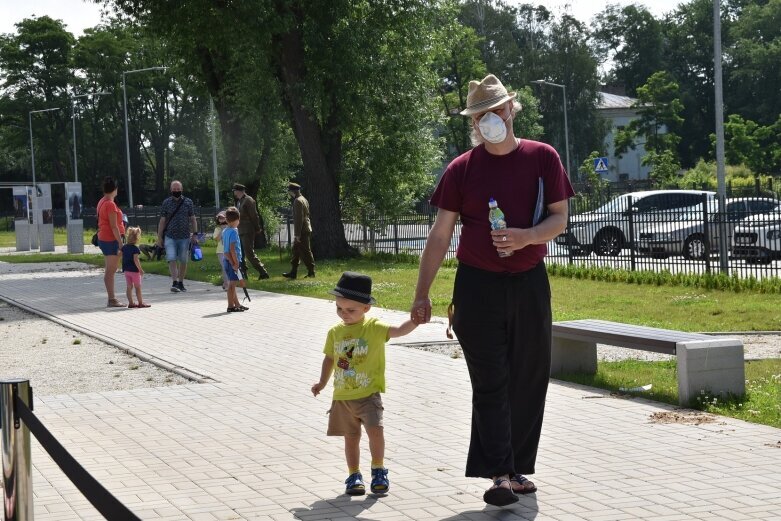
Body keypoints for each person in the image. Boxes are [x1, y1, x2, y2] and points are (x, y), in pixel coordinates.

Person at [409, 74, 575, 507]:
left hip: (529, 284)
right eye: (480, 115)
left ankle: (516, 468)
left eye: (496, 111)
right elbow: (441, 234)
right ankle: (499, 474)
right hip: (477, 287)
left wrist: (526, 237)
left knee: (528, 377)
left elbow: (560, 219)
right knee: (490, 381)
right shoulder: (462, 168)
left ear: (512, 109)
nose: (490, 120)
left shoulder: (543, 158)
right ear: (473, 123)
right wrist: (422, 293)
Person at [311, 272, 418, 496]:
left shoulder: (374, 328)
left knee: (375, 432)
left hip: (368, 394)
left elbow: (398, 331)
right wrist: (322, 382)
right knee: (351, 439)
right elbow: (330, 358)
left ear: (366, 308)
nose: (344, 314)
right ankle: (354, 475)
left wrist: (415, 320)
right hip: (342, 397)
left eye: (351, 310)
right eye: (339, 309)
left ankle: (378, 470)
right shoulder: (335, 332)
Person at [156, 180, 197, 293]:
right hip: (170, 236)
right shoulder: (166, 203)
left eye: (178, 190)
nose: (176, 191)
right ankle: (174, 282)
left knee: (183, 260)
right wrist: (159, 237)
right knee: (172, 258)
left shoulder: (188, 202)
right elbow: (162, 220)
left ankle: (181, 282)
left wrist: (195, 234)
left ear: (181, 190)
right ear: (171, 190)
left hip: (184, 236)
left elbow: (193, 219)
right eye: (174, 190)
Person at [96, 176, 126, 308]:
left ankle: (111, 298)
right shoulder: (110, 204)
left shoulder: (102, 201)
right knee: (111, 271)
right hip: (111, 239)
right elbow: (114, 226)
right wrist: (120, 243)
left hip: (104, 238)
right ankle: (112, 299)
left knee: (109, 270)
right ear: (115, 189)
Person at [232, 183, 270, 280]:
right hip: (240, 230)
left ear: (239, 191)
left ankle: (263, 272)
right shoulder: (240, 201)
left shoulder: (248, 200)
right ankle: (243, 274)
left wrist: (257, 228)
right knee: (240, 253)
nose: (234, 193)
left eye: (235, 191)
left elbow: (254, 216)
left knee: (249, 253)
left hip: (248, 230)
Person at [283, 182, 315, 279]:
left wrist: (297, 234)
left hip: (302, 230)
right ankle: (293, 272)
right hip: (305, 228)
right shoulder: (303, 199)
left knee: (305, 251)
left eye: (289, 191)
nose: (289, 194)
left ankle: (311, 271)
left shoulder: (297, 201)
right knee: (296, 251)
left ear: (292, 191)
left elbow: (298, 218)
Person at [221, 207, 248, 313]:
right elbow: (232, 249)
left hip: (226, 260)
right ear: (236, 220)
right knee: (232, 284)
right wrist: (235, 263)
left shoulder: (225, 231)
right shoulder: (233, 232)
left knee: (233, 283)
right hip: (233, 260)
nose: (239, 222)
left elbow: (224, 247)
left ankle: (236, 304)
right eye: (238, 220)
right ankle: (230, 306)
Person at [122, 226, 150, 308]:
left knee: (129, 287)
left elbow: (120, 255)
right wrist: (140, 269)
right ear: (137, 238)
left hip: (126, 270)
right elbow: (136, 260)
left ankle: (131, 303)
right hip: (134, 271)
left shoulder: (124, 247)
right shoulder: (135, 249)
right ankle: (140, 303)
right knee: (138, 287)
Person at [213, 211, 230, 290]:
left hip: (230, 250)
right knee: (224, 267)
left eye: (223, 218)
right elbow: (217, 239)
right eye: (220, 218)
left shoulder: (230, 227)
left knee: (230, 267)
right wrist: (222, 231)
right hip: (221, 251)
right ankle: (227, 284)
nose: (221, 219)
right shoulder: (218, 228)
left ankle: (226, 282)